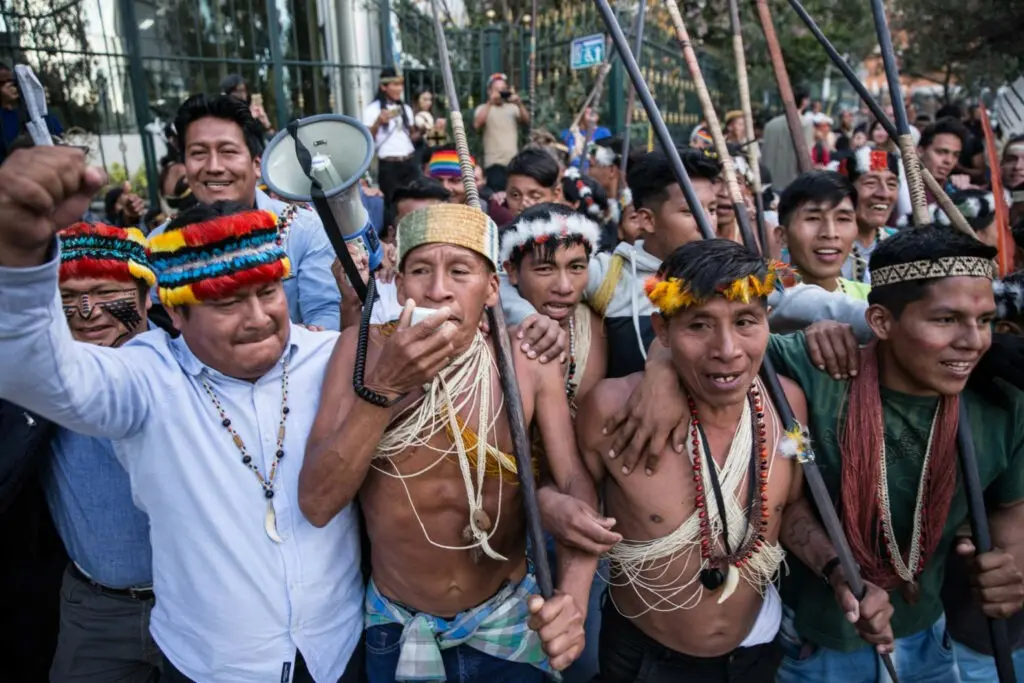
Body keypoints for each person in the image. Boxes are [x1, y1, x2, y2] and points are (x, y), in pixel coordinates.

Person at [597, 225, 1024, 682]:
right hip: (812, 647)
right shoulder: (814, 372)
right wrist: (661, 368)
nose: (972, 341)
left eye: (983, 321)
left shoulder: (1003, 401)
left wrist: (1011, 566)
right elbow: (710, 342)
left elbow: (1011, 514)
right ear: (879, 322)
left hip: (930, 640)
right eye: (945, 320)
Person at [0, 147, 364, 682]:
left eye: (268, 292)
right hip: (211, 667)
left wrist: (531, 332)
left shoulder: (329, 357)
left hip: (337, 651)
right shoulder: (146, 380)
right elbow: (39, 375)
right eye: (226, 303)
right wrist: (20, 254)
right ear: (174, 310)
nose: (258, 318)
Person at [299, 203, 599, 682]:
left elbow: (574, 481)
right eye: (420, 270)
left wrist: (574, 599)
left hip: (509, 620)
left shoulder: (526, 359)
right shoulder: (360, 351)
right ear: (399, 286)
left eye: (460, 271)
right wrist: (383, 389)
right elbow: (316, 503)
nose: (438, 289)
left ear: (493, 288)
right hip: (397, 628)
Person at [576, 239, 888, 682]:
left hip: (757, 651)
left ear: (767, 322)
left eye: (746, 321)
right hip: (644, 658)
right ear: (661, 331)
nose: (726, 348)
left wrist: (836, 569)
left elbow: (788, 510)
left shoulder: (788, 406)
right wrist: (557, 510)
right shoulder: (613, 412)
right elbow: (574, 499)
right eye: (699, 325)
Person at [501, 147, 878, 381]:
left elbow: (809, 299)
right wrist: (527, 318)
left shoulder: (738, 275)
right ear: (645, 218)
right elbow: (503, 282)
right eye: (690, 211)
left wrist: (881, 317)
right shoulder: (609, 273)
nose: (707, 222)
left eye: (712, 209)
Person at [39, 222, 162, 682]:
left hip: (198, 606)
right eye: (67, 298)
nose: (87, 311)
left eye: (105, 291)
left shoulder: (194, 372)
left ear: (146, 296)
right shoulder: (39, 390)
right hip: (95, 613)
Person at [500, 203, 612, 683]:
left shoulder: (600, 325)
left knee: (578, 653)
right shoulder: (495, 334)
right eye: (544, 270)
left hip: (584, 506)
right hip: (504, 520)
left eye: (576, 268)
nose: (564, 286)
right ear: (511, 272)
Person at [151, 93, 341, 330]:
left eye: (228, 151)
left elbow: (325, 314)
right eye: (198, 153)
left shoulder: (303, 228)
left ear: (256, 165)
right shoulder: (161, 244)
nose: (214, 167)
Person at [775, 171, 871, 300]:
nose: (830, 233)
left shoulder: (872, 300)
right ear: (782, 236)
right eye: (813, 218)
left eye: (842, 219)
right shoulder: (759, 299)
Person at [831, 146, 900, 283]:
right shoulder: (821, 243)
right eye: (871, 183)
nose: (884, 194)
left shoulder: (900, 244)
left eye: (891, 184)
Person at [362, 67, 422, 201]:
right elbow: (366, 140)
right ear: (384, 87)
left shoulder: (405, 109)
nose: (400, 89)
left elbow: (412, 138)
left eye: (401, 84)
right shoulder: (372, 110)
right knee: (392, 204)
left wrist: (423, 130)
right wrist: (378, 122)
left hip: (409, 162)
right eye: (395, 84)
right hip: (389, 166)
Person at [425, 146, 515, 225]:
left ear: (472, 181)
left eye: (455, 180)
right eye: (438, 180)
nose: (445, 187)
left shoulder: (496, 216)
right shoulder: (421, 212)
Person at [474, 73, 530, 192]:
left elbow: (526, 120)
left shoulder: (512, 108)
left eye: (503, 89)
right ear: (489, 91)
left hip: (513, 162)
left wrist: (519, 103)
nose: (501, 92)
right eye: (497, 90)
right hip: (494, 163)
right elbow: (477, 124)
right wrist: (490, 102)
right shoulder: (484, 108)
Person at [0, 62, 63, 162]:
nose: (10, 86)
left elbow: (55, 133)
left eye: (11, 82)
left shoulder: (28, 111)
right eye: (2, 83)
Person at [760, 85, 814, 193]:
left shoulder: (770, 125)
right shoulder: (805, 125)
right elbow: (806, 156)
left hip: (768, 184)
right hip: (793, 184)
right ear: (804, 101)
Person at [918, 117, 969, 199]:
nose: (949, 161)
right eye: (941, 152)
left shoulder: (956, 189)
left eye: (955, 155)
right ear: (920, 151)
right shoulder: (901, 187)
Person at [505, 147, 563, 216]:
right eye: (515, 195)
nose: (523, 204)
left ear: (556, 195)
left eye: (535, 196)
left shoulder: (572, 225)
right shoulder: (495, 225)